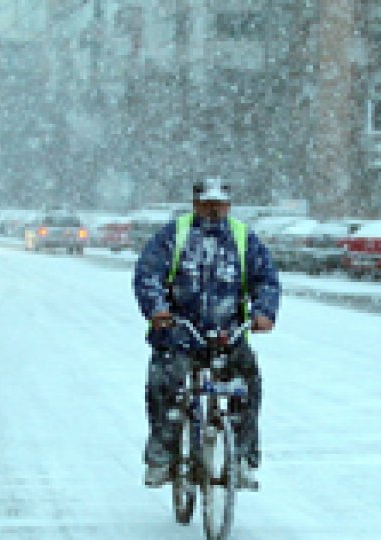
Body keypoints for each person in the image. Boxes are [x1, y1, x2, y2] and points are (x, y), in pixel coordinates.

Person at [132, 177, 281, 489]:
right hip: (179, 334)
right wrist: (158, 309)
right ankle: (161, 457)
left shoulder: (243, 238)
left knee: (248, 385)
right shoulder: (174, 234)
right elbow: (148, 273)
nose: (213, 210)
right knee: (164, 384)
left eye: (219, 204)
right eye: (207, 204)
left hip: (228, 336)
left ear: (228, 206)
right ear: (195, 204)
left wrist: (264, 312)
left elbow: (265, 278)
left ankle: (241, 459)